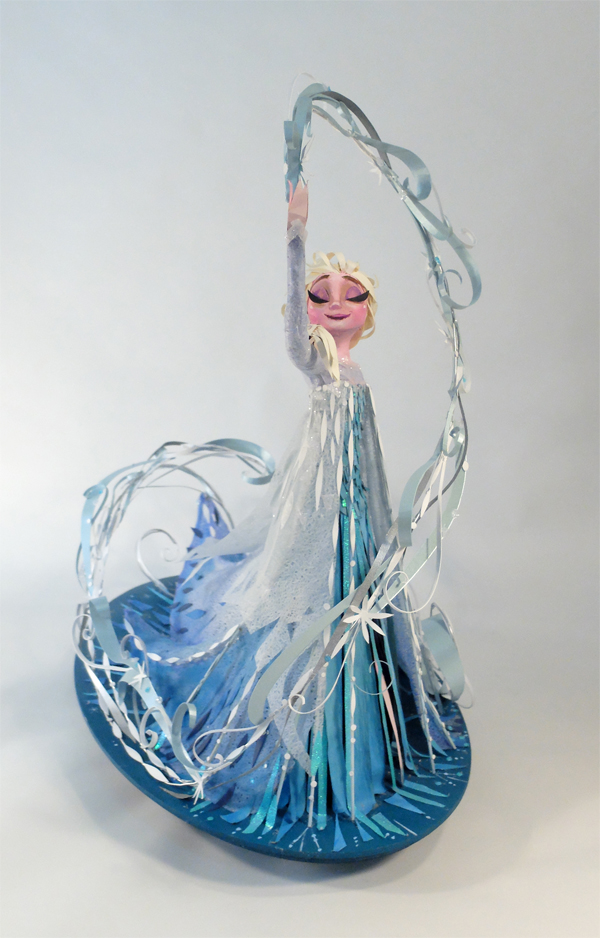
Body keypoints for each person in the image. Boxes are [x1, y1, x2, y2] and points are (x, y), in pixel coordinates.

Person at [128, 179, 457, 846]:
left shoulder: (355, 371)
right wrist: (295, 239)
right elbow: (292, 341)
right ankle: (297, 739)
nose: (336, 304)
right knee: (302, 602)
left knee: (357, 596)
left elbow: (365, 451)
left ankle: (361, 728)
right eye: (319, 294)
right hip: (317, 505)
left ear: (370, 310)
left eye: (352, 295)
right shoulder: (318, 361)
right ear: (303, 310)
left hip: (355, 505)